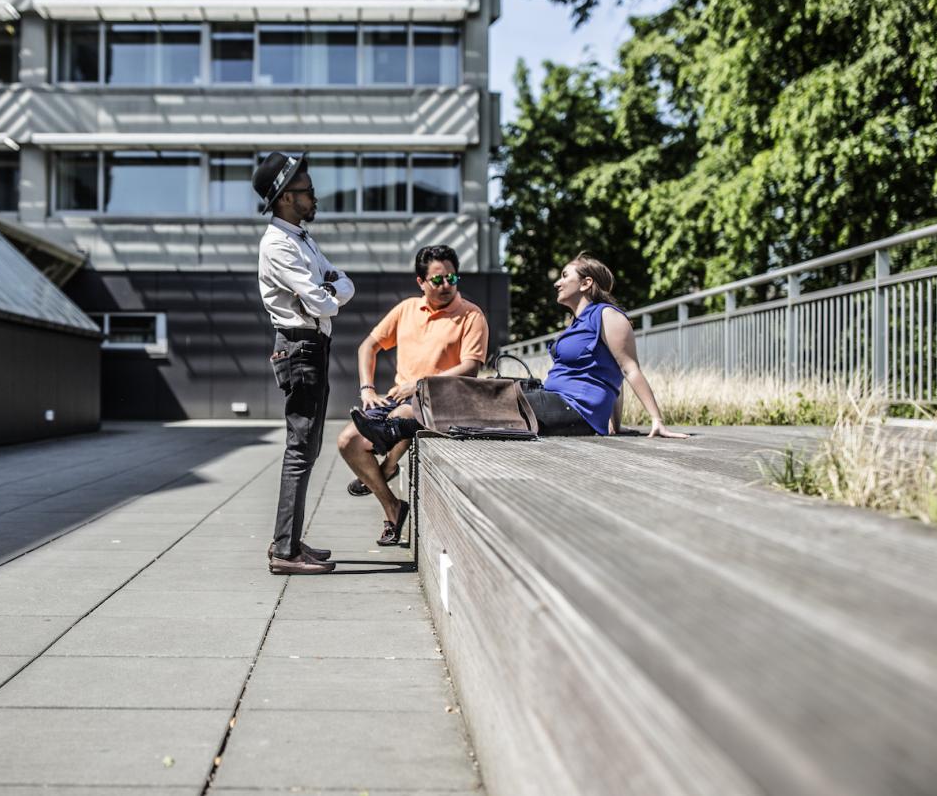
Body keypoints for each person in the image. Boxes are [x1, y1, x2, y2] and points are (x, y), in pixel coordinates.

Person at [352, 252, 687, 448]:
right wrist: (615, 423)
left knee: (489, 399)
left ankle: (396, 428)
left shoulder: (608, 316)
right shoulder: (578, 323)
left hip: (572, 409)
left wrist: (655, 420)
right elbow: (609, 375)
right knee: (488, 389)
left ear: (586, 283)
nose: (557, 282)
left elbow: (627, 370)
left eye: (565, 276)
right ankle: (394, 427)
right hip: (556, 401)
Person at [338, 245, 488, 546]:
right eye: (437, 280)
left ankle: (388, 465)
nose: (446, 285)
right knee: (348, 442)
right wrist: (367, 389)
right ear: (421, 282)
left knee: (405, 413)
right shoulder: (407, 309)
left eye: (452, 278)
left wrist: (419, 384)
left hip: (443, 400)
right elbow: (368, 346)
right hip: (400, 395)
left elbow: (471, 367)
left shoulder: (471, 315)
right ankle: (392, 505)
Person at [255, 151, 356, 575]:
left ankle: (289, 541)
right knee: (301, 449)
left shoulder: (302, 240)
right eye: (307, 191)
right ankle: (285, 551)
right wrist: (327, 293)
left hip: (312, 346)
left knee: (308, 447)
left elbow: (342, 284)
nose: (314, 196)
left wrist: (329, 292)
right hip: (300, 348)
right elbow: (321, 301)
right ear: (284, 198)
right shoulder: (278, 244)